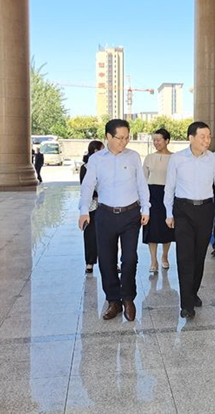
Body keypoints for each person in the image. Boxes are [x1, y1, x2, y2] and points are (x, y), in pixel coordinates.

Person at [79, 119, 150, 322]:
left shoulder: (133, 156)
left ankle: (128, 298)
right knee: (107, 260)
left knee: (130, 258)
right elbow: (87, 186)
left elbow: (141, 184)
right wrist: (84, 210)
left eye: (127, 138)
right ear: (108, 137)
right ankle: (113, 301)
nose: (124, 142)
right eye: (120, 138)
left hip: (130, 214)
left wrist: (146, 208)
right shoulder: (96, 160)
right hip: (105, 214)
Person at [164, 121, 215, 319]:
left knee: (199, 255)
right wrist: (168, 213)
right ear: (191, 138)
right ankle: (186, 304)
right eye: (203, 137)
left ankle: (192, 292)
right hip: (182, 209)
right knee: (184, 256)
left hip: (205, 210)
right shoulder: (177, 159)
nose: (207, 140)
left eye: (209, 136)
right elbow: (169, 187)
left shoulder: (213, 159)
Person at [142, 128, 175, 273]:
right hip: (152, 195)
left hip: (169, 194)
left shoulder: (175, 158)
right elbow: (143, 178)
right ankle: (153, 260)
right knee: (152, 228)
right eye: (154, 140)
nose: (156, 143)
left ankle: (165, 256)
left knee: (167, 227)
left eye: (159, 140)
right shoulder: (149, 157)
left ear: (167, 141)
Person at [80, 140, 104, 274]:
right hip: (92, 204)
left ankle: (111, 261)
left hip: (106, 203)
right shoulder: (85, 167)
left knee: (109, 233)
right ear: (95, 151)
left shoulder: (107, 165)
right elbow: (85, 186)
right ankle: (90, 262)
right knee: (90, 233)